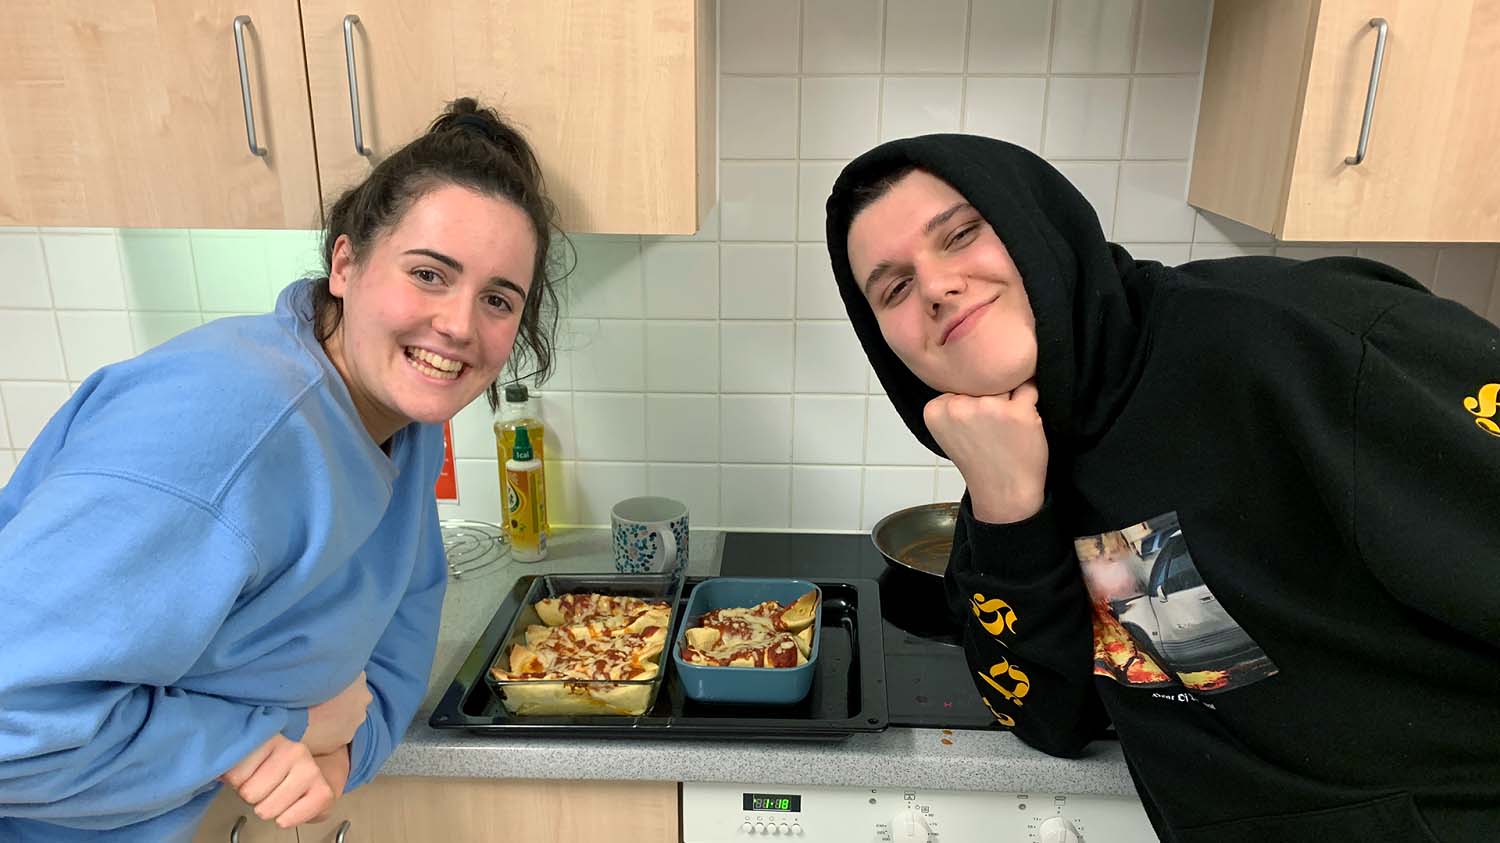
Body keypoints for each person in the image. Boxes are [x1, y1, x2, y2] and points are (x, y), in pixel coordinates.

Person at [825, 134, 1499, 841]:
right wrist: (1006, 506)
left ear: (1037, 223)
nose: (935, 287)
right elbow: (1047, 714)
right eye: (894, 287)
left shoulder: (1296, 338)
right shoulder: (1017, 458)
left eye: (961, 233)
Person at [0, 97, 563, 841]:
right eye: (429, 274)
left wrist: (344, 754)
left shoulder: (401, 419)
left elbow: (400, 625)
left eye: (497, 298)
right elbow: (13, 722)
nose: (459, 324)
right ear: (345, 263)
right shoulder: (224, 424)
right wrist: (260, 733)